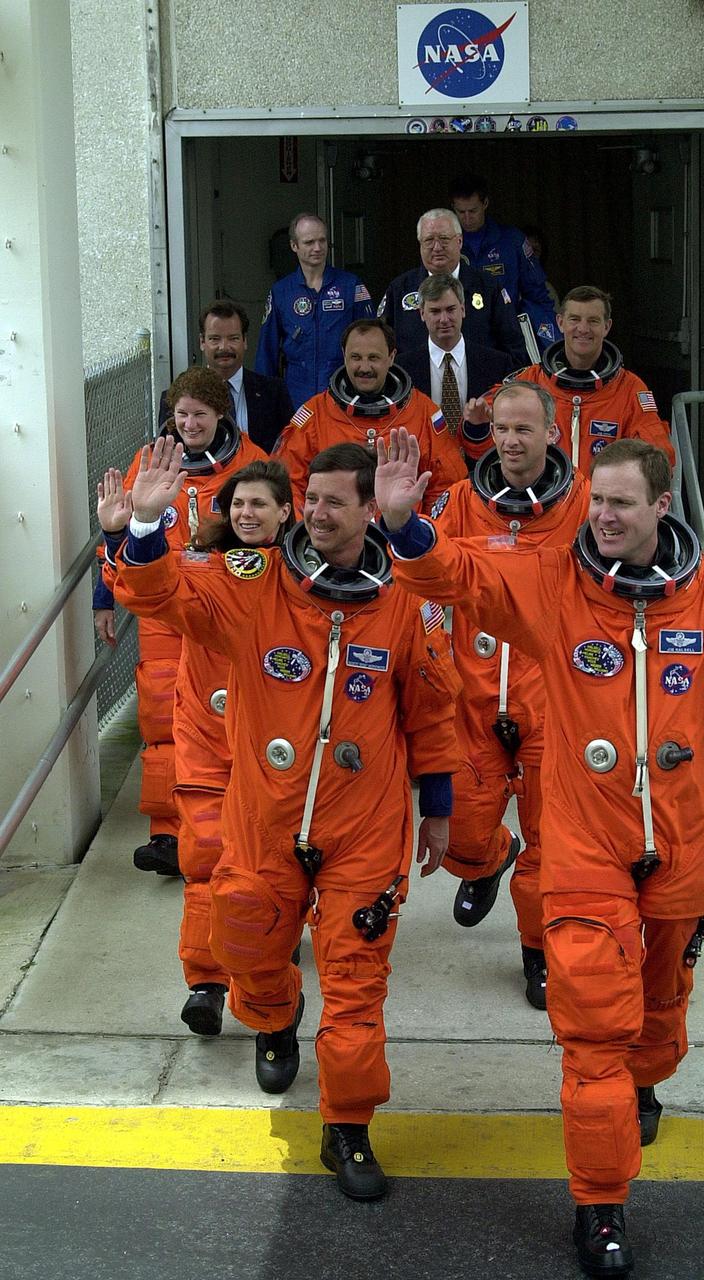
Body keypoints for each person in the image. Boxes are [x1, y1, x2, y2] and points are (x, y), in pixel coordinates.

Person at [375, 430, 704, 1277]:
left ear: (659, 505)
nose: (604, 517)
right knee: (594, 1030)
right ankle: (602, 1205)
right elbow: (461, 578)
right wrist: (405, 526)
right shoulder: (553, 584)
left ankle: (646, 1079)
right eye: (597, 502)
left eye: (620, 504)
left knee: (659, 1005)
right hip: (584, 845)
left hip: (684, 844)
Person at [113, 439, 461, 1203]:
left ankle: (348, 1126)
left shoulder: (407, 597)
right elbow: (163, 598)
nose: (317, 512)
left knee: (357, 983)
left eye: (337, 501)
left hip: (364, 827)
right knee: (240, 934)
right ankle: (273, 1017)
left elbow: (434, 711)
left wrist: (438, 811)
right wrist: (140, 528)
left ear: (372, 510)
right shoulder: (255, 582)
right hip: (264, 815)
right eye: (312, 498)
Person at [98, 460, 293, 1035]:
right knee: (206, 854)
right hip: (208, 737)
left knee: (271, 874)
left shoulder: (311, 575)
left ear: (286, 512)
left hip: (278, 747)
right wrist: (127, 531)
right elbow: (144, 587)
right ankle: (205, 983)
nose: (247, 514)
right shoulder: (201, 566)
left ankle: (269, 982)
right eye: (238, 505)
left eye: (260, 504)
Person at [429, 382, 590, 1010]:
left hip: (552, 698)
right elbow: (421, 581)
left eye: (525, 429)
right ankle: (490, 858)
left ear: (552, 433)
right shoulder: (463, 505)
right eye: (501, 429)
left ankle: (538, 952)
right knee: (461, 832)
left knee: (552, 841)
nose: (512, 441)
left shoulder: (582, 505)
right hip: (472, 698)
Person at [93, 367, 268, 875]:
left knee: (223, 716)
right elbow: (120, 531)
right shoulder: (151, 463)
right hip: (165, 604)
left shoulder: (251, 462)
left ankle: (227, 824)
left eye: (200, 414)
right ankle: (168, 833)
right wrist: (105, 597)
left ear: (221, 415)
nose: (189, 423)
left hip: (223, 608)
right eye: (181, 414)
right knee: (161, 716)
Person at [464, 285, 675, 477]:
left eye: (593, 321)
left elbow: (657, 457)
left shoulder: (628, 388)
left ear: (607, 327)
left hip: (602, 507)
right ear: (560, 322)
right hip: (543, 505)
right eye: (574, 319)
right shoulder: (528, 382)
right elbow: (481, 448)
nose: (583, 329)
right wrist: (479, 424)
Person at [275, 318, 476, 515]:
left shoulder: (424, 412)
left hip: (401, 537)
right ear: (344, 355)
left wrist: (421, 534)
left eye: (373, 358)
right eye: (356, 357)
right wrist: (310, 528)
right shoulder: (315, 413)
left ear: (391, 357)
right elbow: (287, 483)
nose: (364, 368)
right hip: (331, 535)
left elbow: (447, 487)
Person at [377, 208, 529, 365]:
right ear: (420, 244)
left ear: (459, 241)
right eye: (429, 240)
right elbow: (380, 347)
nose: (437, 247)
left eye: (444, 239)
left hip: (482, 385)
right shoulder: (399, 289)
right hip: (414, 385)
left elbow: (514, 350)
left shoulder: (489, 288)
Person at [254, 213, 373, 408]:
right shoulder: (281, 292)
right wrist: (264, 400)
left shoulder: (351, 285)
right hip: (296, 396)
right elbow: (267, 352)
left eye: (322, 241)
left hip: (343, 393)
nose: (317, 248)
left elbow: (372, 340)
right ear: (294, 246)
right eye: (309, 242)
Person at [158, 301, 293, 454]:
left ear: (245, 341)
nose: (224, 347)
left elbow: (289, 450)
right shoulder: (172, 400)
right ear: (202, 342)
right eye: (215, 339)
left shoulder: (274, 392)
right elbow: (167, 455)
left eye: (233, 338)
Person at [449, 173, 560, 349]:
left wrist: (553, 343)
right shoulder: (444, 245)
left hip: (507, 337)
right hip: (461, 337)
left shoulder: (512, 240)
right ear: (453, 207)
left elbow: (538, 295)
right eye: (461, 212)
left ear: (485, 204)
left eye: (473, 211)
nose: (467, 218)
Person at [398, 274, 514, 440]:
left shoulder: (498, 364)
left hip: (482, 459)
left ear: (463, 309)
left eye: (450, 309)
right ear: (422, 314)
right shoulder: (402, 369)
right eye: (435, 311)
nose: (444, 319)